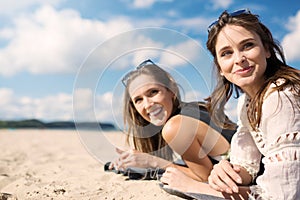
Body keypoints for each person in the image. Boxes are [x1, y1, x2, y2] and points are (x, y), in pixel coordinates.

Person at [161, 8, 300, 199]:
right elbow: (246, 165)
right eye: (226, 53)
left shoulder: (281, 95)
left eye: (248, 45)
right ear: (219, 67)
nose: (239, 59)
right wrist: (225, 172)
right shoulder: (247, 102)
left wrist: (197, 187)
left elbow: (282, 194)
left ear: (267, 49)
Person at [108, 59, 236, 182]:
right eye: (138, 100)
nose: (147, 104)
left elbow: (204, 177)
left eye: (153, 92)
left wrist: (151, 161)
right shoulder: (193, 110)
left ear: (172, 90)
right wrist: (136, 159)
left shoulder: (176, 126)